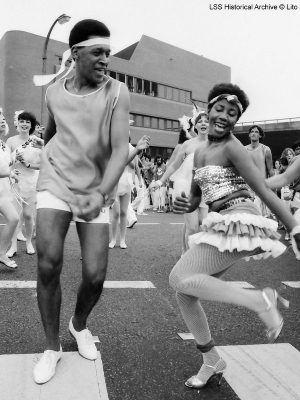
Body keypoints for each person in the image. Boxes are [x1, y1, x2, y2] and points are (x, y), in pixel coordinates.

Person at [169, 83, 300, 390]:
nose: (225, 117)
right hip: (219, 220)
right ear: (208, 109)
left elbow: (265, 190)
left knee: (178, 276)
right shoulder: (200, 152)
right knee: (184, 293)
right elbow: (195, 197)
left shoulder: (232, 147)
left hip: (240, 219)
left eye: (233, 113)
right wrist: (182, 204)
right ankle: (211, 359)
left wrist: (293, 226)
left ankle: (260, 299)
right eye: (220, 109)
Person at [32, 19, 130, 384]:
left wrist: (102, 192)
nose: (106, 59)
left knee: (95, 274)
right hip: (54, 182)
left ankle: (79, 325)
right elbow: (51, 132)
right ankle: (51, 346)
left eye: (109, 52)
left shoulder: (118, 92)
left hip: (96, 187)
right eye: (98, 52)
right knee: (48, 263)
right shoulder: (54, 91)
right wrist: (45, 161)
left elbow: (121, 148)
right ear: (76, 54)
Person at [152, 110, 209, 252]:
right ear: (195, 126)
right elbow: (174, 165)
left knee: (204, 225)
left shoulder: (216, 145)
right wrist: (160, 182)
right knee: (193, 227)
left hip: (205, 190)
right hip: (186, 188)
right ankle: (187, 259)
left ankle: (190, 253)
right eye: (200, 121)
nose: (203, 123)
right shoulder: (188, 144)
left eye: (206, 121)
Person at [6, 111, 40, 256]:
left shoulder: (36, 141)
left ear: (31, 125)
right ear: (17, 123)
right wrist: (14, 160)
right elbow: (5, 163)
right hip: (15, 181)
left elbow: (41, 165)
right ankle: (13, 246)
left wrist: (26, 164)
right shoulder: (11, 141)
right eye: (21, 121)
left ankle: (28, 243)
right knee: (14, 215)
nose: (24, 124)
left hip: (31, 182)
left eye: (27, 122)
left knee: (27, 215)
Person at [109, 134, 149, 249]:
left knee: (123, 213)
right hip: (115, 181)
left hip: (126, 182)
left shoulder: (132, 148)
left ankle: (122, 240)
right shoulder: (113, 146)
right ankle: (113, 239)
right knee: (115, 214)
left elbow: (135, 166)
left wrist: (139, 181)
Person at [0, 113, 19, 269]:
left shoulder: (4, 144)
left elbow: (6, 166)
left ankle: (1, 253)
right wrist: (9, 173)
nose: (1, 120)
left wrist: (13, 166)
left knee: (13, 218)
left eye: (3, 118)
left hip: (3, 191)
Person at [245, 125, 274, 216]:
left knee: (262, 217)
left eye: (256, 132)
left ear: (260, 136)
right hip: (248, 188)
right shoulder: (243, 149)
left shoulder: (266, 150)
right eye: (252, 131)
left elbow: (271, 171)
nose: (253, 133)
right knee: (248, 217)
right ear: (249, 135)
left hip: (262, 188)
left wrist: (273, 190)